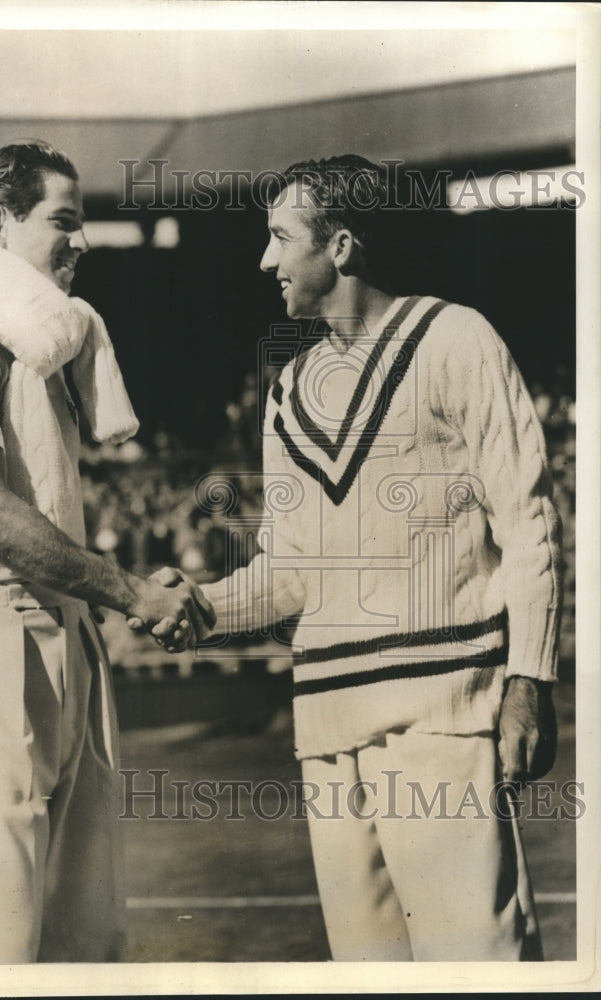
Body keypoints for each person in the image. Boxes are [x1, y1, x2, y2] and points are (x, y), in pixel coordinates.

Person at [199, 154, 562, 961]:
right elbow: (287, 570)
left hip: (443, 716)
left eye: (279, 237)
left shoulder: (455, 337)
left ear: (340, 245)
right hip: (326, 729)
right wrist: (198, 609)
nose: (265, 260)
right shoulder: (287, 389)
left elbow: (529, 520)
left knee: (479, 969)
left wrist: (529, 682)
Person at [0, 140, 214, 964]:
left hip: (68, 634)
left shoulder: (36, 339)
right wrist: (135, 593)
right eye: (63, 221)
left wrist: (122, 598)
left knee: (85, 935)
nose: (81, 241)